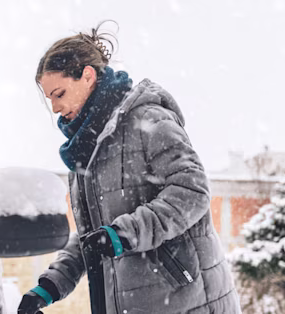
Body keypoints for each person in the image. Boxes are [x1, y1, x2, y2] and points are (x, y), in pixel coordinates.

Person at [18, 21, 240, 314]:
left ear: (87, 76)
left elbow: (192, 192)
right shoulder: (84, 151)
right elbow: (95, 237)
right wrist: (50, 285)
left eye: (59, 94)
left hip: (187, 301)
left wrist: (125, 234)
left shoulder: (147, 120)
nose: (56, 109)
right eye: (50, 100)